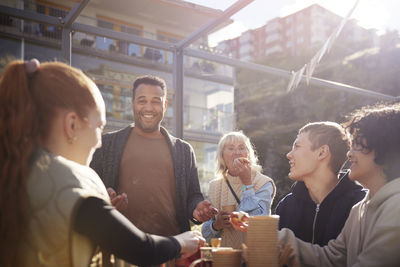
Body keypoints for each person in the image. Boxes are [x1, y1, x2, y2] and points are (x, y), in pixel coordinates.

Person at [0, 59, 205, 267]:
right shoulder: (75, 189)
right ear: (72, 125)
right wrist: (182, 241)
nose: (99, 141)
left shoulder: (17, 169)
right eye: (99, 126)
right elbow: (142, 249)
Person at [232, 103, 400, 266]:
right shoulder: (360, 208)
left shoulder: (395, 208)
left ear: (383, 149)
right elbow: (331, 259)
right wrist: (265, 233)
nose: (349, 153)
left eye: (357, 144)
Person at [90, 75, 217, 264]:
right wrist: (105, 199)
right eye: (142, 101)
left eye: (155, 101)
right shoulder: (107, 144)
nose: (148, 108)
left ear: (165, 105)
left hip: (174, 251)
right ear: (132, 103)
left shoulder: (183, 150)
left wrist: (197, 208)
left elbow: (193, 196)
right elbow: (90, 190)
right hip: (123, 251)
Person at [275, 122, 366, 245]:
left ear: (322, 152)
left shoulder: (361, 205)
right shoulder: (286, 205)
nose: (289, 155)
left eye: (297, 146)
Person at [202, 131, 276, 249]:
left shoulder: (264, 183)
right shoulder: (214, 186)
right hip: (225, 258)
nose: (237, 152)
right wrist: (216, 225)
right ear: (222, 156)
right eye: (231, 149)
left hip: (254, 256)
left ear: (248, 154)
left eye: (241, 148)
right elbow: (205, 236)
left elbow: (258, 224)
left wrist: (247, 184)